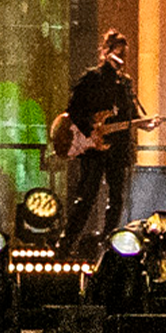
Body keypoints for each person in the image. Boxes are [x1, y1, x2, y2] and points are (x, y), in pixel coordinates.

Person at [58, 29, 145, 253]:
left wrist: (148, 123)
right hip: (95, 149)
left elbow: (131, 116)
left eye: (125, 54)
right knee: (87, 195)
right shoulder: (92, 79)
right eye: (119, 53)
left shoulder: (125, 84)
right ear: (106, 52)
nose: (123, 59)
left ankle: (109, 243)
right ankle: (66, 242)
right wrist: (91, 130)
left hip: (118, 149)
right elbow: (73, 111)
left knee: (116, 198)